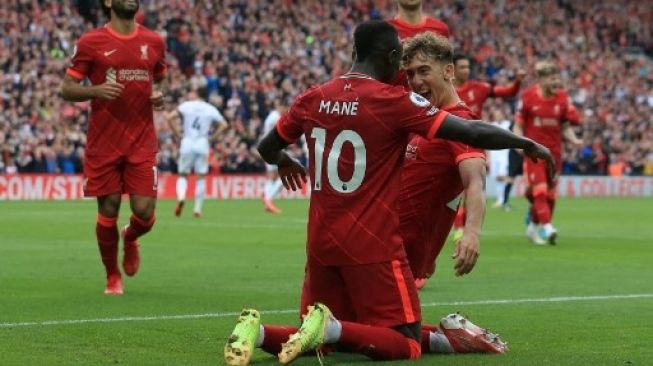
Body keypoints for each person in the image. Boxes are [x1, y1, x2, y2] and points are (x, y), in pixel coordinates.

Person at [224, 21, 552, 365]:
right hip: (373, 244)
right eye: (405, 68)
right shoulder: (393, 102)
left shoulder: (314, 96)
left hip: (321, 241)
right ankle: (336, 329)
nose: (409, 78)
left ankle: (257, 332)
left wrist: (283, 159)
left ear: (353, 53)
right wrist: (525, 142)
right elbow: (471, 131)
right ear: (393, 59)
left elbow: (266, 146)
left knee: (324, 334)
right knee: (404, 343)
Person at [60, 0, 167, 295]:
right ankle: (112, 276)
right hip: (104, 142)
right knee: (108, 209)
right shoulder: (91, 41)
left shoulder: (154, 41)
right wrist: (95, 90)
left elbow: (160, 76)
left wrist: (159, 93)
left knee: (144, 212)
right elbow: (66, 88)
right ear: (107, 2)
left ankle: (130, 237)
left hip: (142, 141)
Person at [398, 32, 487, 290]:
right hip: (386, 244)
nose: (416, 81)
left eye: (424, 71)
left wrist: (471, 233)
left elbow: (475, 181)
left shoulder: (460, 123)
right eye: (411, 73)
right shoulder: (421, 118)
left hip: (400, 254)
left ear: (448, 71)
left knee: (340, 324)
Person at [451, 53, 526, 239]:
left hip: (474, 144)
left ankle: (463, 228)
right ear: (451, 69)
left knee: (472, 187)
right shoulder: (445, 88)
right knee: (454, 189)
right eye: (462, 67)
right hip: (450, 143)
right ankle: (456, 225)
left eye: (467, 67)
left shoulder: (479, 88)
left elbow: (508, 92)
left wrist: (517, 81)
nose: (466, 71)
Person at [515, 60, 583, 245]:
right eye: (551, 78)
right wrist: (517, 142)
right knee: (540, 192)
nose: (555, 82)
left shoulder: (561, 98)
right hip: (535, 153)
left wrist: (574, 139)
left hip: (555, 155)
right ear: (541, 80)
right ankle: (547, 228)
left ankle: (533, 228)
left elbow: (568, 125)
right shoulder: (528, 96)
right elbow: (519, 124)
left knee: (549, 196)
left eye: (556, 78)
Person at [168, 87, 228, 218]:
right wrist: (213, 137)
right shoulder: (210, 109)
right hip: (202, 143)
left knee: (183, 175)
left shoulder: (187, 105)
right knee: (201, 177)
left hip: (187, 141)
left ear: (196, 94)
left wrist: (177, 134)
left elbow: (170, 117)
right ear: (206, 96)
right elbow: (224, 124)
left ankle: (182, 197)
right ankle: (197, 209)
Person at [261, 100, 288, 214]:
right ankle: (268, 199)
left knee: (272, 176)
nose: (286, 110)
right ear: (280, 106)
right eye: (285, 107)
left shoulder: (270, 117)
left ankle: (267, 198)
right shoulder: (277, 117)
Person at [487, 108, 512, 209]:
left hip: (505, 154)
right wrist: (488, 156)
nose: (497, 116)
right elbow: (487, 142)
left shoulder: (508, 124)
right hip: (494, 155)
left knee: (501, 176)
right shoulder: (492, 126)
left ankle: (503, 199)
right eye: (495, 115)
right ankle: (500, 199)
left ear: (503, 115)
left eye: (499, 114)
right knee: (496, 177)